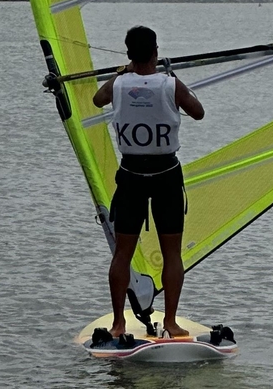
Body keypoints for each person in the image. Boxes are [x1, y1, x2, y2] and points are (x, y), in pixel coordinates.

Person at [92, 25, 204, 340]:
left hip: (131, 177)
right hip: (166, 175)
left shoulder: (117, 84)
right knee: (172, 254)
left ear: (129, 55)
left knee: (122, 254)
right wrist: (174, 80)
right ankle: (170, 322)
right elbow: (198, 112)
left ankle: (118, 323)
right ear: (156, 52)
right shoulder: (170, 84)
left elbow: (97, 99)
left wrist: (123, 73)